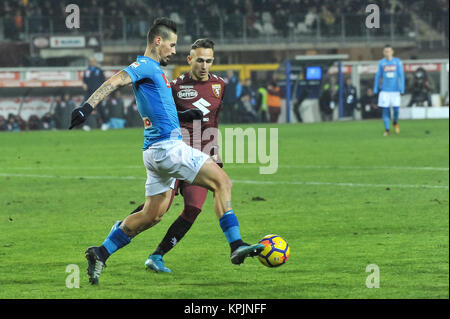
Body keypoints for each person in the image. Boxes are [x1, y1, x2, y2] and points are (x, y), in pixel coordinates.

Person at [68, 18, 264, 285]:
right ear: (157, 42)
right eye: (171, 45)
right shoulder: (144, 65)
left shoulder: (157, 72)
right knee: (222, 181)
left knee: (153, 214)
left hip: (153, 152)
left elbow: (157, 105)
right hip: (168, 148)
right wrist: (86, 107)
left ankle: (101, 252)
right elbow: (116, 80)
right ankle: (236, 245)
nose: (174, 51)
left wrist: (184, 113)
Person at [124, 38, 232, 273]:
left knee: (193, 207)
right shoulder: (173, 86)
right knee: (157, 210)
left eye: (209, 61)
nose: (205, 66)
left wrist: (214, 150)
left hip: (202, 156)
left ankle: (157, 256)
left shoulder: (220, 85)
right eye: (200, 60)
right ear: (189, 59)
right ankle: (118, 234)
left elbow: (213, 121)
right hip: (175, 153)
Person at [373, 44, 405, 136]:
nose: (387, 53)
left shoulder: (397, 62)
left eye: (389, 51)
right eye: (385, 51)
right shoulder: (381, 63)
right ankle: (387, 129)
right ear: (383, 53)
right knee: (385, 110)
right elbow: (378, 76)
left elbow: (401, 76)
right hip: (384, 91)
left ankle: (395, 122)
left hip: (395, 91)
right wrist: (375, 88)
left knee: (396, 110)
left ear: (392, 52)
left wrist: (402, 88)